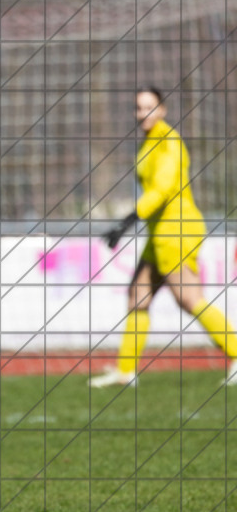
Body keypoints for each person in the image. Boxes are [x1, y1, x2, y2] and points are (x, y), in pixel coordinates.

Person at [91, 87, 237, 387]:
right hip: (159, 232)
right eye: (139, 107)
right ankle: (125, 371)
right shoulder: (149, 141)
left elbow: (163, 189)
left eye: (149, 107)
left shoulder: (168, 141)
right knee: (137, 296)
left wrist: (129, 219)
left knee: (188, 297)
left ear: (163, 110)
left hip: (177, 230)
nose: (143, 113)